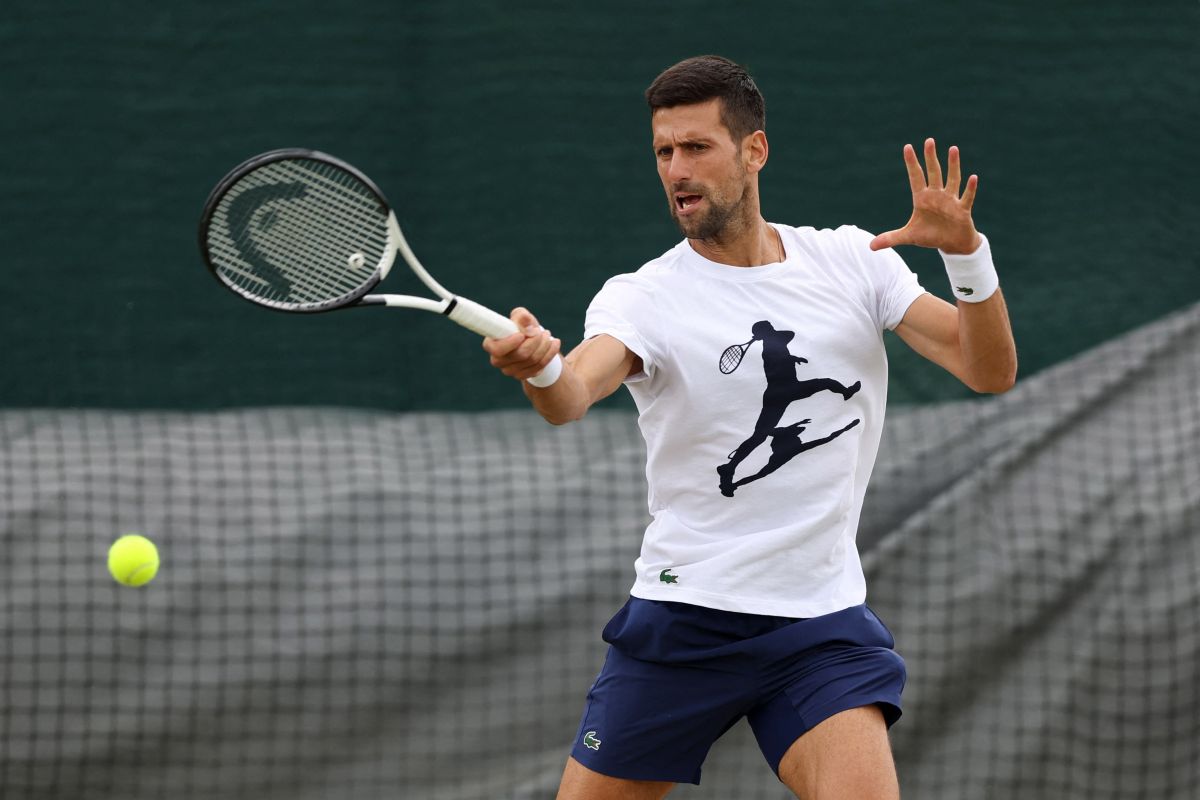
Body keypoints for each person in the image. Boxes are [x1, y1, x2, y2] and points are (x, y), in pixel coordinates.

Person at [483, 55, 1016, 800]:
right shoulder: (645, 297)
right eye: (664, 152)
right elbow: (572, 393)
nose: (677, 169)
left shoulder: (854, 264)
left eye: (697, 147)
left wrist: (967, 256)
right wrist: (541, 366)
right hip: (685, 620)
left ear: (754, 151)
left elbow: (987, 369)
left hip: (818, 626)